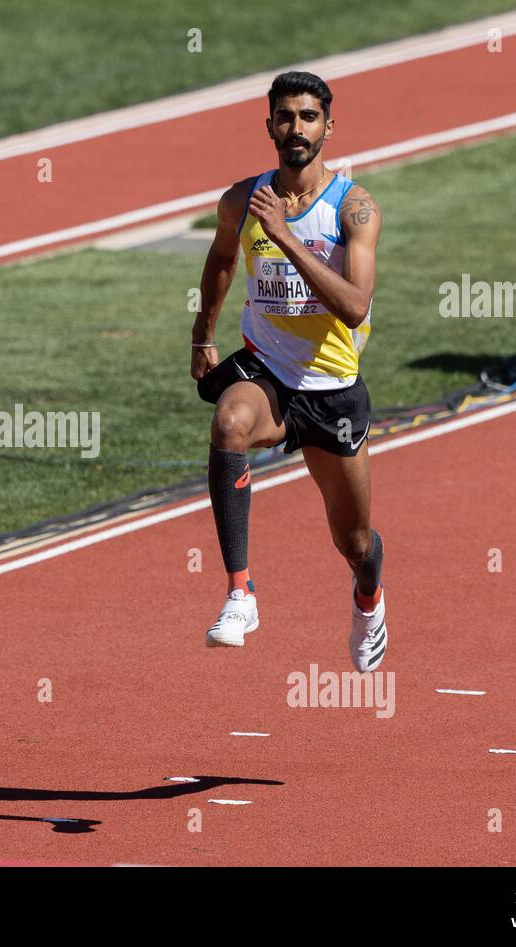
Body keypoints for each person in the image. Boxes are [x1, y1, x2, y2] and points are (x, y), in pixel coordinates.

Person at [189, 71, 386, 672]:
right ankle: (240, 593)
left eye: (308, 117)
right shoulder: (242, 199)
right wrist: (204, 334)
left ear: (329, 126)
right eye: (285, 117)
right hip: (268, 372)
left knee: (354, 542)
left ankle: (370, 597)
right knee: (229, 425)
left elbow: (354, 305)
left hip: (333, 390)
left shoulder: (355, 207)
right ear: (269, 125)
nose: (295, 128)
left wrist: (285, 236)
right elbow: (222, 258)